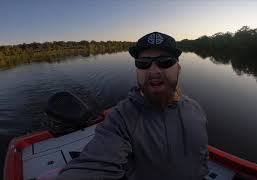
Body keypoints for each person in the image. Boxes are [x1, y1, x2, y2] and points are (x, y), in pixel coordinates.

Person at [56, 32, 209, 180]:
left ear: (178, 68)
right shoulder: (120, 119)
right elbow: (93, 166)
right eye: (144, 63)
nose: (153, 71)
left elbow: (202, 158)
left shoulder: (195, 109)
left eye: (165, 62)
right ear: (137, 70)